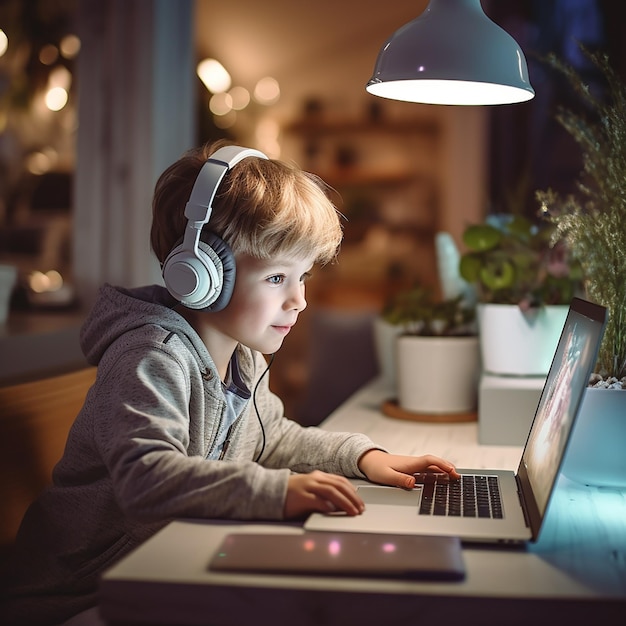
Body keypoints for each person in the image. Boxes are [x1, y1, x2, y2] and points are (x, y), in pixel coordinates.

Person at [1, 141, 459, 626]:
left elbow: (275, 438)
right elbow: (146, 477)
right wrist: (277, 492)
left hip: (154, 571)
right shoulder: (151, 358)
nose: (299, 300)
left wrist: (367, 458)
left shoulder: (244, 358)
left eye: (302, 276)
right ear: (199, 274)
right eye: (277, 278)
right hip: (73, 597)